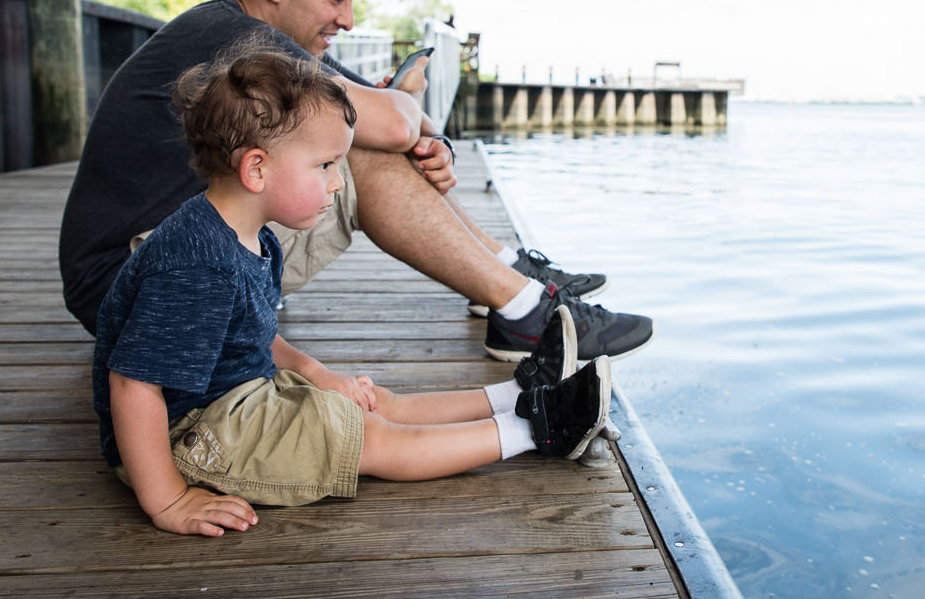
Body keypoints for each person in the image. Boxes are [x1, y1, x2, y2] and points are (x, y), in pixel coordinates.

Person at [60, 0, 652, 363]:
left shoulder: (253, 42)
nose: (347, 20)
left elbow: (391, 121)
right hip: (128, 287)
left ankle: (508, 276)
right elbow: (391, 123)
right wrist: (405, 106)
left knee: (355, 139)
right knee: (358, 158)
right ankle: (526, 313)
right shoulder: (231, 38)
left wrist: (424, 138)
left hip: (169, 259)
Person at [95, 47, 612, 536]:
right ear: (256, 168)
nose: (338, 183)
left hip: (232, 396)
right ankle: (540, 428)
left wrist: (317, 374)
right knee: (371, 439)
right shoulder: (196, 265)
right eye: (324, 166)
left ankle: (518, 395)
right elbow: (133, 386)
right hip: (186, 435)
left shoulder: (251, 237)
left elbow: (252, 332)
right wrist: (166, 498)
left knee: (372, 404)